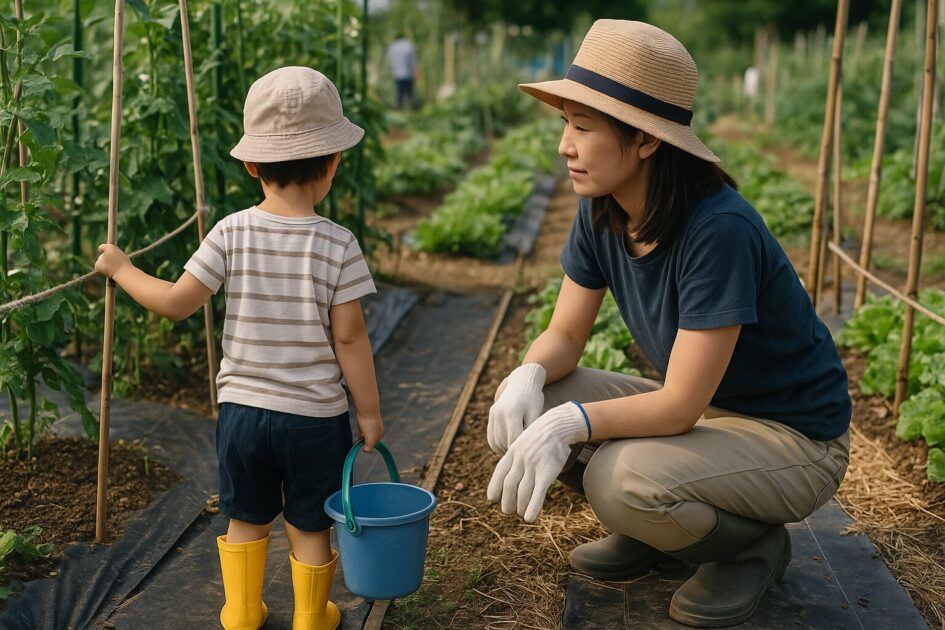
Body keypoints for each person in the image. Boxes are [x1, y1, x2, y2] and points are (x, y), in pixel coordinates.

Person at [485, 20, 850, 628]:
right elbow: (568, 336)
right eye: (565, 125)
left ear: (646, 141)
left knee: (618, 476)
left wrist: (572, 425)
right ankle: (659, 534)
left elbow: (679, 405)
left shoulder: (717, 229)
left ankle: (748, 548)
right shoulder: (601, 209)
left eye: (582, 128)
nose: (564, 147)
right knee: (542, 395)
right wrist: (528, 373)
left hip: (791, 438)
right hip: (709, 414)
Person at [95, 66, 382, 630]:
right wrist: (368, 411)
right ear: (333, 164)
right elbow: (350, 336)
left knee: (245, 517)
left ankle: (243, 610)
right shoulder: (339, 244)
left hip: (243, 414)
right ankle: (309, 616)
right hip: (314, 418)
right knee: (309, 523)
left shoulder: (230, 232)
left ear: (252, 165)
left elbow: (178, 302)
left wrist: (123, 268)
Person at [386, 33, 418, 110]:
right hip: (408, 73)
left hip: (397, 73)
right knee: (409, 92)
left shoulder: (393, 47)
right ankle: (411, 107)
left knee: (399, 92)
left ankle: (400, 108)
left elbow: (390, 61)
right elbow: (414, 59)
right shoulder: (409, 45)